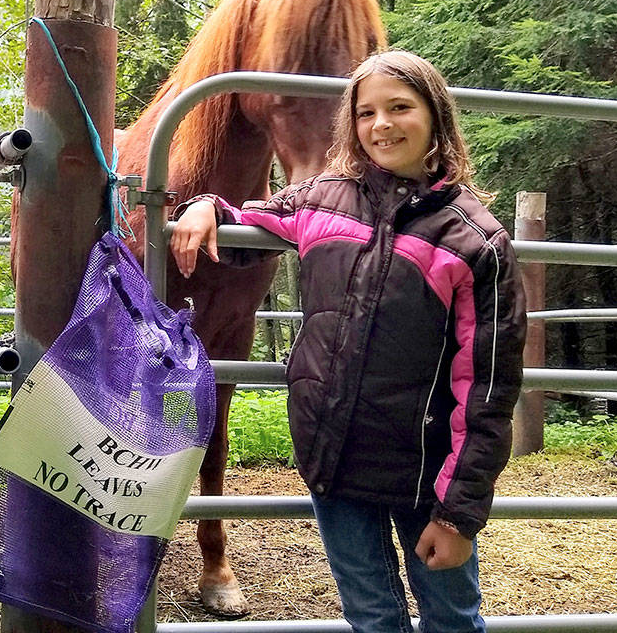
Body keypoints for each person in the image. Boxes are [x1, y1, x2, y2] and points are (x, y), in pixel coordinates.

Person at [171, 49, 526, 633]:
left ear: (436, 116)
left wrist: (459, 513)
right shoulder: (321, 199)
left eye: (399, 108)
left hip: (426, 473)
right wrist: (205, 207)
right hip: (334, 458)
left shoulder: (474, 242)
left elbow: (487, 387)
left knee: (453, 618)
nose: (381, 124)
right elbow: (252, 222)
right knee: (370, 613)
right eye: (366, 113)